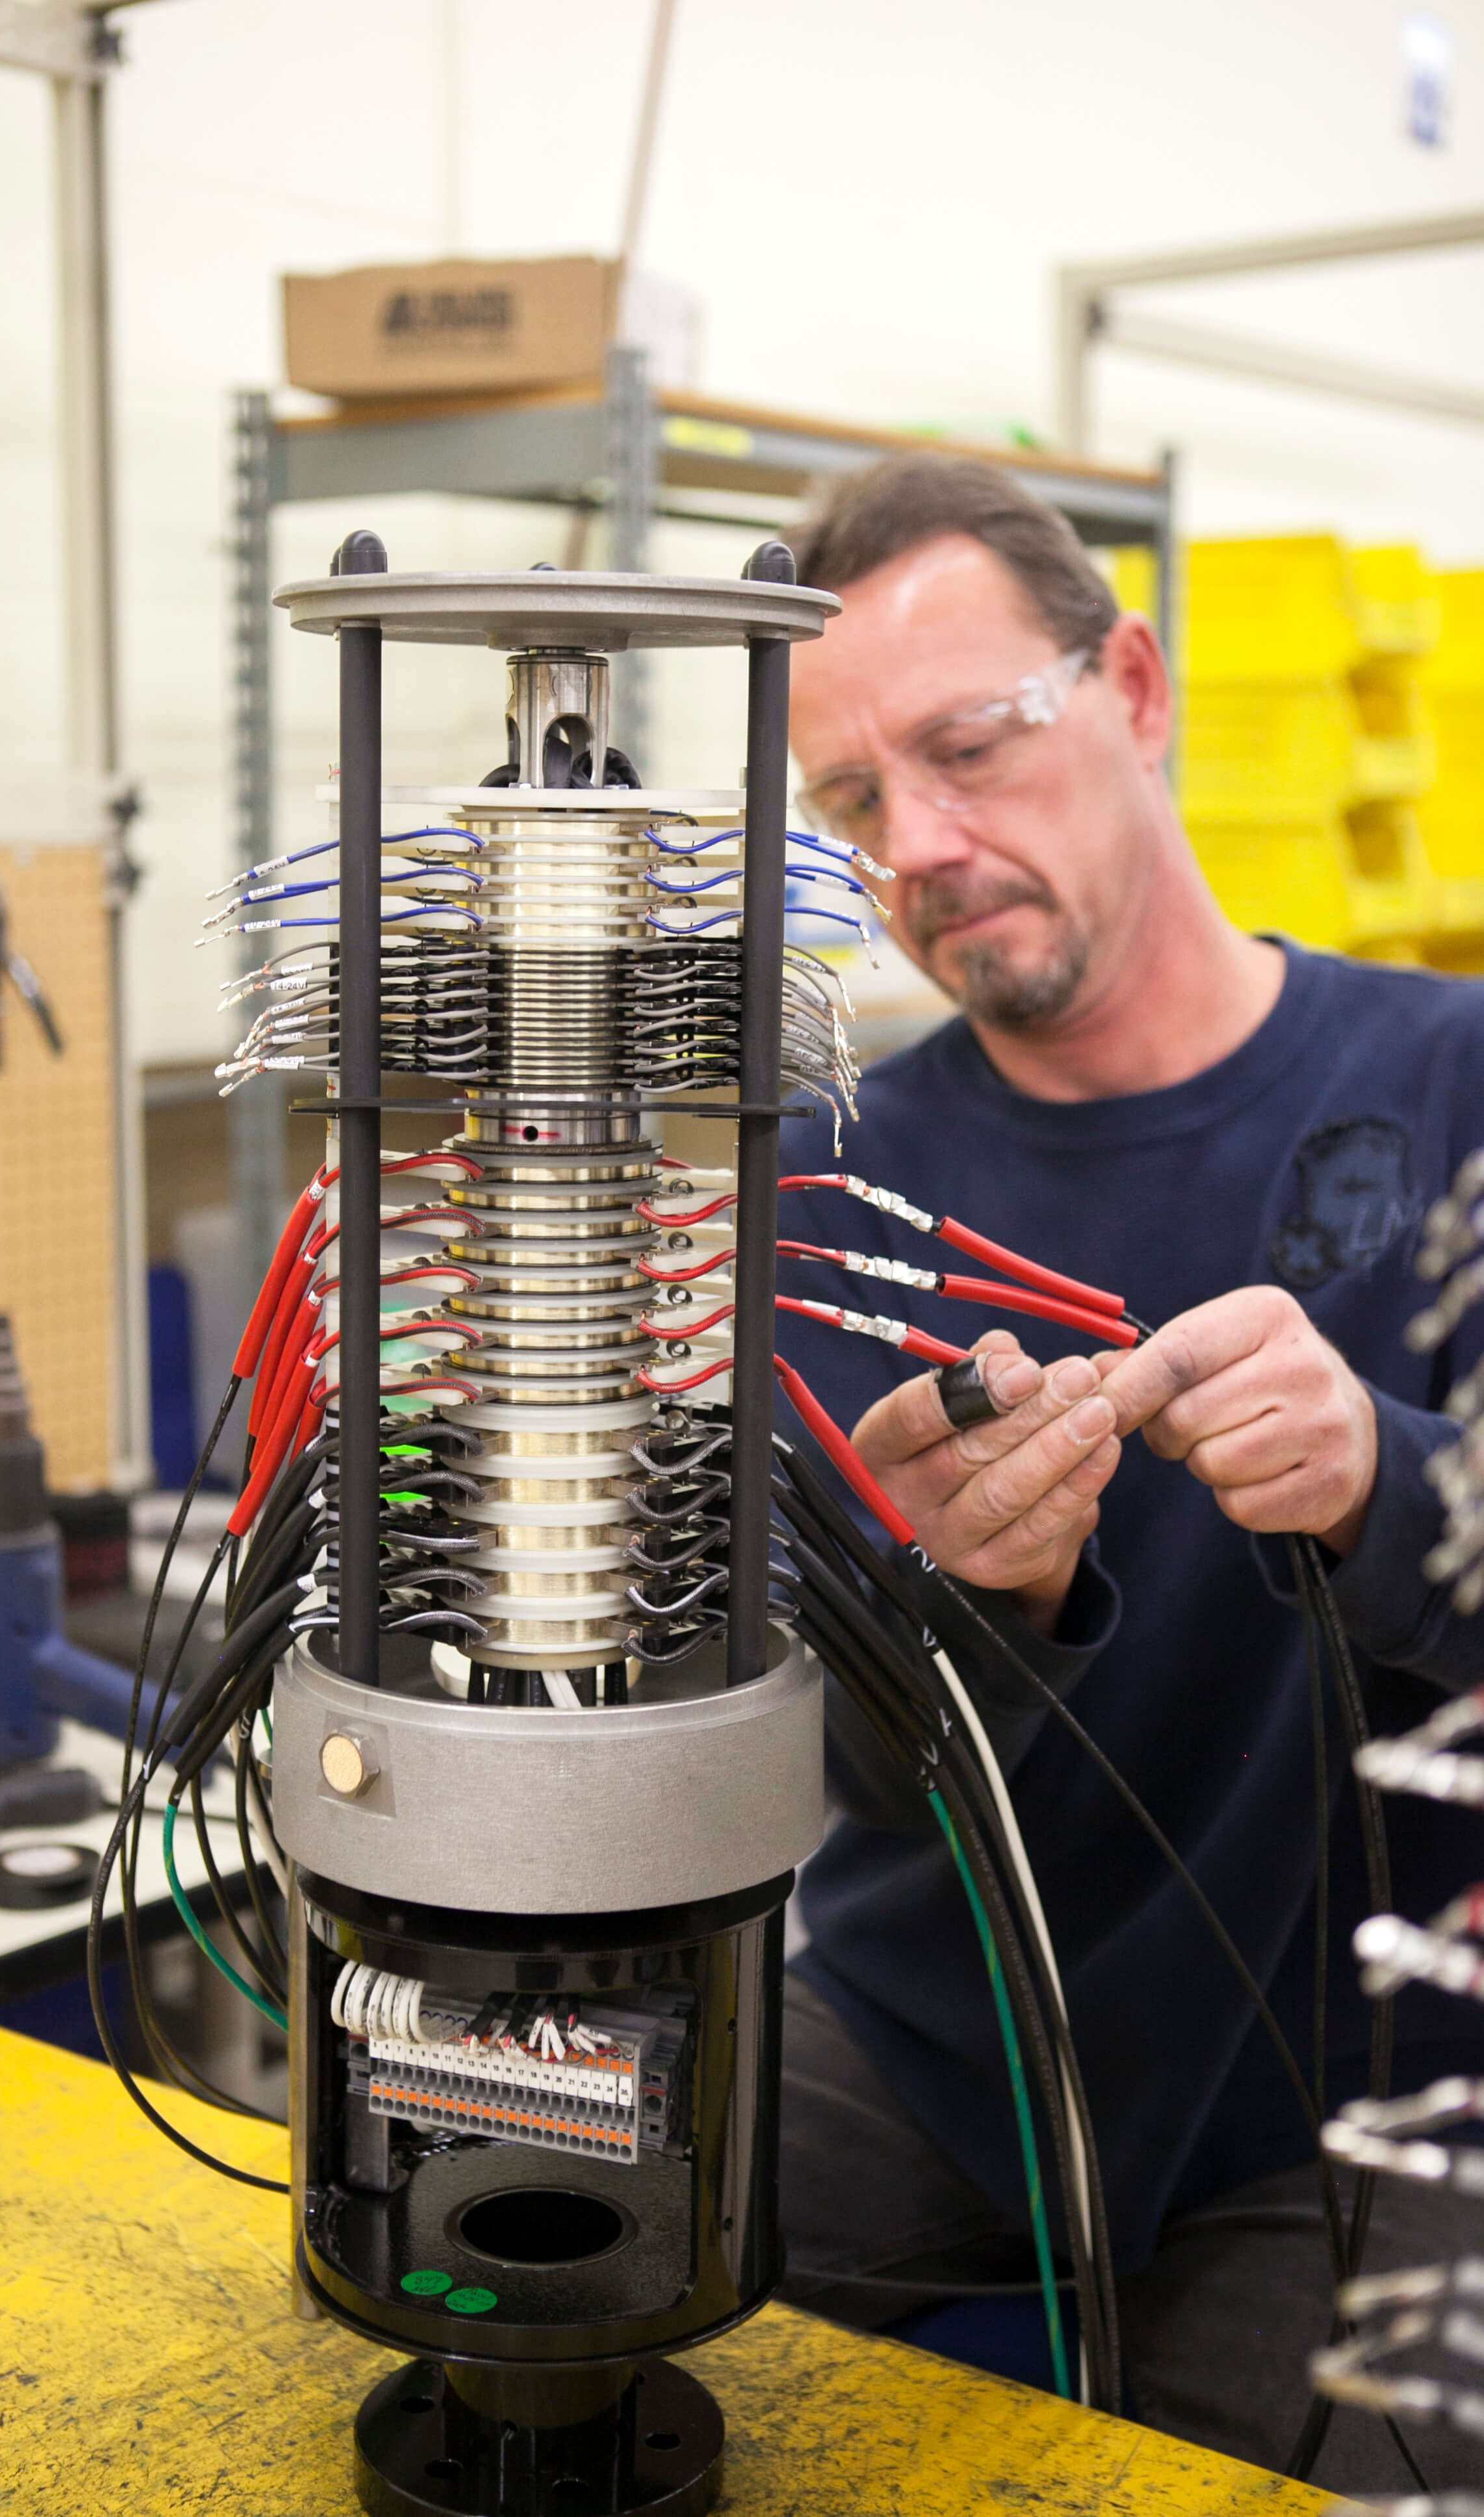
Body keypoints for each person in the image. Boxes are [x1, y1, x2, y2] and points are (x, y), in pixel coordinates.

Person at [770, 451, 1484, 2494]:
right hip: (926, 2040)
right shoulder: (825, 1182)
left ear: (1139, 688)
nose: (922, 845)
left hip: (1364, 2086)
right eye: (852, 804)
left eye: (973, 746)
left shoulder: (1451, 1084)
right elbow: (822, 1735)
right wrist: (953, 1600)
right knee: (548, 2308)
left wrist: (1383, 1472)